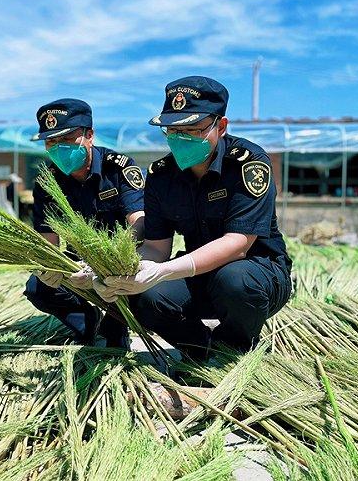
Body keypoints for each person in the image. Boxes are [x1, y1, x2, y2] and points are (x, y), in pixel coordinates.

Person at [95, 76, 292, 359]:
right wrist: (128, 271)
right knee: (146, 295)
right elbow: (157, 247)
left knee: (234, 280)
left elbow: (238, 244)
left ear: (220, 127)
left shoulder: (248, 163)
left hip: (257, 273)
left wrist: (164, 270)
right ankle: (197, 349)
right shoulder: (161, 176)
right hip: (198, 272)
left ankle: (232, 349)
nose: (180, 139)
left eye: (193, 129)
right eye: (173, 130)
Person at [25, 98, 145, 348]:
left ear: (89, 135)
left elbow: (140, 225)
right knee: (38, 288)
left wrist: (103, 264)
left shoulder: (119, 169)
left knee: (116, 333)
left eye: (67, 139)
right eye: (51, 142)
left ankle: (116, 327)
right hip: (76, 263)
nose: (59, 148)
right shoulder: (48, 183)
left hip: (120, 260)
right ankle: (86, 321)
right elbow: (47, 241)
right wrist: (49, 267)